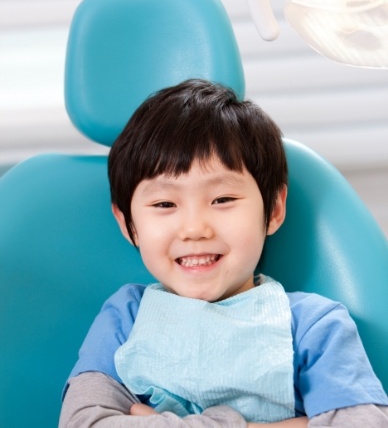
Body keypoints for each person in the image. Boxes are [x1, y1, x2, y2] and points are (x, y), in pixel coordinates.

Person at [59, 79, 388, 427]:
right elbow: (83, 422)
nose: (195, 228)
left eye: (223, 200)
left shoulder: (313, 325)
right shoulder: (124, 319)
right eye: (164, 203)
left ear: (274, 209)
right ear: (128, 225)